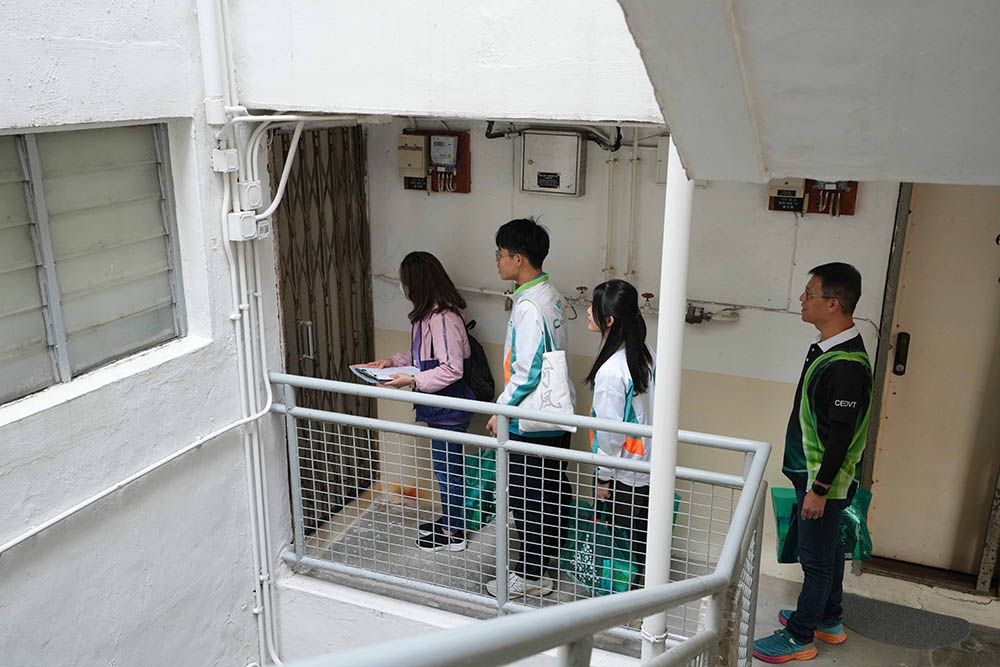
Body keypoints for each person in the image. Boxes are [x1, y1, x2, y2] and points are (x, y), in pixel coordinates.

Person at [753, 262, 873, 664]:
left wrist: (819, 490)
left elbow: (840, 437)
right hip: (818, 476)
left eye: (810, 294)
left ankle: (800, 637)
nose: (802, 300)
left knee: (817, 563)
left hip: (825, 482)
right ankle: (829, 620)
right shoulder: (829, 350)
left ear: (833, 303)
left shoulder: (846, 366)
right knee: (830, 553)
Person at [358, 251, 474, 552]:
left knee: (448, 470)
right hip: (438, 407)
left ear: (417, 283)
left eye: (406, 280)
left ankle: (453, 533)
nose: (403, 286)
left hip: (449, 408)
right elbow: (422, 355)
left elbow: (452, 368)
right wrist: (391, 362)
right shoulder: (428, 316)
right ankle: (450, 520)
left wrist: (412, 381)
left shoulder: (443, 318)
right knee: (444, 468)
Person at [485, 218, 573, 599]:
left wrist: (500, 410)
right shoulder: (550, 296)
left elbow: (528, 370)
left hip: (531, 421)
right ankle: (540, 566)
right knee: (548, 493)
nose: (497, 261)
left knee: (528, 499)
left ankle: (531, 574)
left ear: (518, 259)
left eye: (501, 254)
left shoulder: (530, 307)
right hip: (555, 414)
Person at [585, 280, 655, 575]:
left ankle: (625, 597)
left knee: (620, 550)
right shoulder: (645, 353)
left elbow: (609, 434)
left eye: (594, 307)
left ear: (610, 320)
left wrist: (603, 478)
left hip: (621, 472)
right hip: (644, 466)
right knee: (640, 543)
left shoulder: (612, 371)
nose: (588, 311)